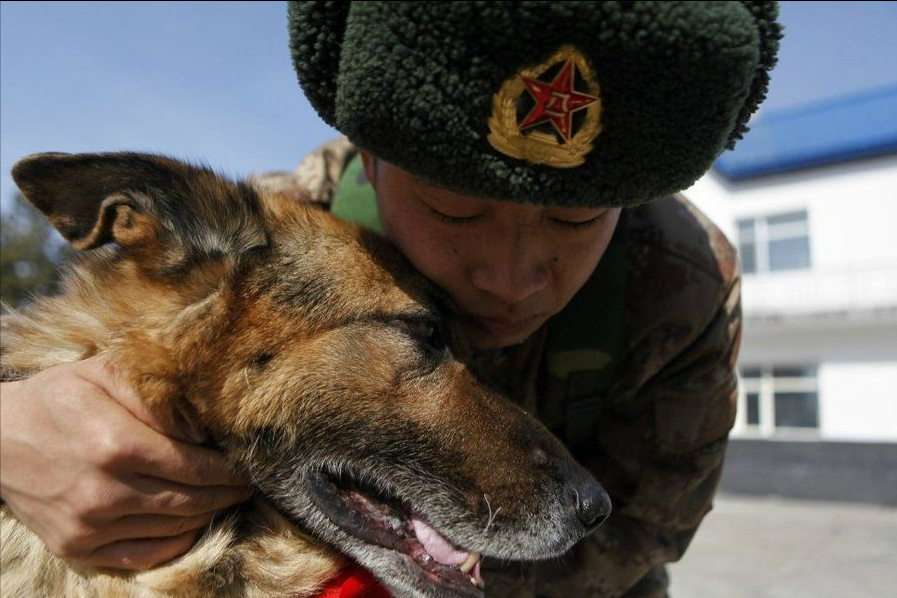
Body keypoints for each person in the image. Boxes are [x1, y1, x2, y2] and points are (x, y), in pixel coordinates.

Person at [0, 2, 782, 596]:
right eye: (454, 210)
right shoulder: (271, 244)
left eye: (574, 218)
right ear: (369, 163)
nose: (510, 277)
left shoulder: (680, 281)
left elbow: (635, 545)